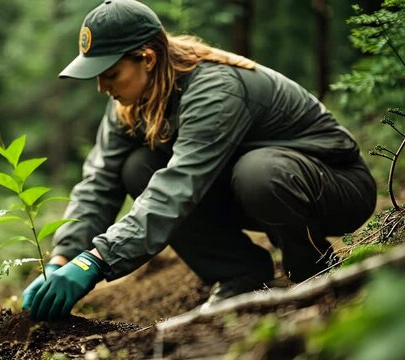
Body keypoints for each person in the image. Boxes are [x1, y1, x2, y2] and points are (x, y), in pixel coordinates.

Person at [21, 0, 377, 322]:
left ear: (146, 58)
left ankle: (313, 274)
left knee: (260, 172)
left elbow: (178, 187)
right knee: (137, 167)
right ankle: (240, 274)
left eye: (110, 73)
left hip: (335, 187)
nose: (101, 87)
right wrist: (65, 257)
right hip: (253, 188)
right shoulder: (130, 102)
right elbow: (99, 182)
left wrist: (97, 260)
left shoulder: (214, 88)